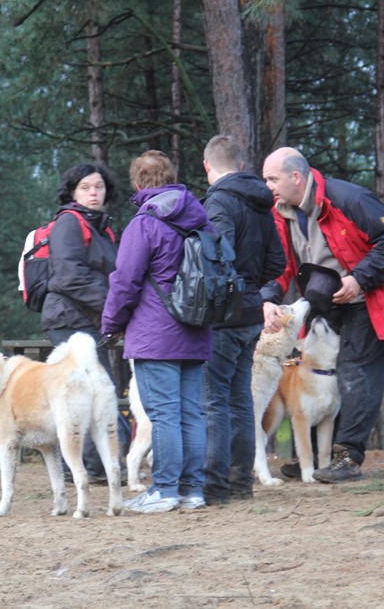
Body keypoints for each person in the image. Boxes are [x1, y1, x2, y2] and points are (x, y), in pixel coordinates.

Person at [261, 146, 384, 483]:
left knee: (357, 373)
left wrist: (359, 278)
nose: (268, 186)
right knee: (320, 372)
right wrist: (269, 297)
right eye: (265, 179)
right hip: (326, 299)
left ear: (295, 177)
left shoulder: (348, 198)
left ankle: (347, 456)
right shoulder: (282, 211)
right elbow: (281, 264)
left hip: (370, 296)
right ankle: (318, 459)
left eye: (272, 179)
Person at [101, 150, 212, 514]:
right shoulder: (200, 218)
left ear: (137, 184)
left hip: (155, 332)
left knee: (164, 414)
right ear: (171, 178)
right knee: (191, 413)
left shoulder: (144, 224)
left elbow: (124, 281)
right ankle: (192, 490)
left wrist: (111, 324)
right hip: (196, 328)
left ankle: (164, 490)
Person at [200, 135, 286, 504]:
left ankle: (216, 487)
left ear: (208, 167)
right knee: (238, 398)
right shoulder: (262, 204)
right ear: (239, 163)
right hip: (251, 312)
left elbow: (219, 256)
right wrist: (254, 290)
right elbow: (277, 264)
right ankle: (240, 484)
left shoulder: (219, 201)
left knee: (215, 400)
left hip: (225, 316)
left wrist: (221, 294)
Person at [41, 162, 129, 481]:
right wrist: (113, 310)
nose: (94, 192)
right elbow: (69, 277)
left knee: (93, 393)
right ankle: (83, 467)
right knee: (80, 395)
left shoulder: (102, 227)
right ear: (73, 192)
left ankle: (91, 466)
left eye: (99, 187)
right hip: (68, 321)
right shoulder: (69, 223)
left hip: (90, 322)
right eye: (85, 187)